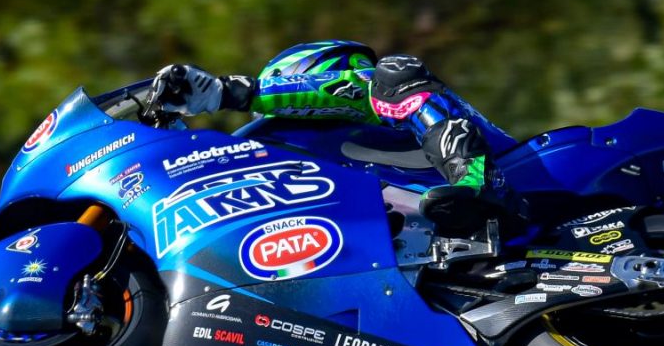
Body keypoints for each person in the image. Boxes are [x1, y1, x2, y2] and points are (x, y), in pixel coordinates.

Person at [150, 40, 529, 236]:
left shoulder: (372, 91)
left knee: (393, 76)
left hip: (521, 180)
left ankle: (478, 181)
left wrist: (227, 92)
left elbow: (353, 88)